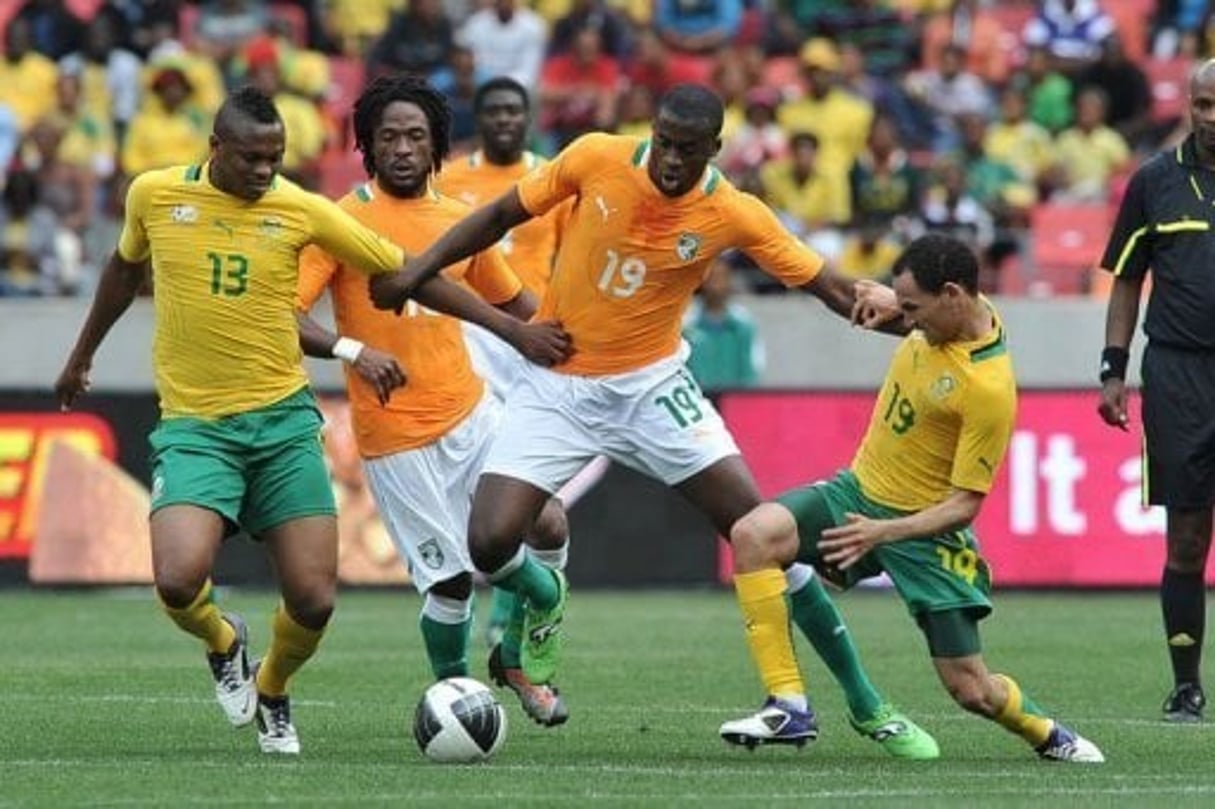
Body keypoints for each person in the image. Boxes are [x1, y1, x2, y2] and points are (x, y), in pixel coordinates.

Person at [369, 83, 940, 758]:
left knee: (762, 532)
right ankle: (546, 598)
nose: (670, 160)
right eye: (664, 143)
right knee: (490, 541)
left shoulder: (731, 210)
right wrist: (416, 271)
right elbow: (495, 215)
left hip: (652, 390)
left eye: (688, 150)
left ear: (714, 150)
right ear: (652, 133)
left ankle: (867, 702)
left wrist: (925, 322)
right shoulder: (595, 157)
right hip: (558, 384)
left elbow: (833, 291)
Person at [53, 85, 570, 755]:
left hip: (366, 420)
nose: (266, 173)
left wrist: (531, 332)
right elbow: (143, 278)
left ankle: (283, 688)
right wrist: (80, 357)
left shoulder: (341, 212)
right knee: (186, 578)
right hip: (261, 428)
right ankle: (246, 645)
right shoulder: (174, 197)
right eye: (252, 159)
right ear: (216, 150)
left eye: (276, 159)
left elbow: (420, 275)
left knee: (332, 594)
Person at [720, 234, 1104, 763]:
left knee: (972, 690)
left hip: (924, 533)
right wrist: (889, 301)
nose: (907, 320)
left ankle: (1044, 731)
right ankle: (788, 703)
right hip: (854, 493)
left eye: (912, 309)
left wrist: (883, 533)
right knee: (753, 535)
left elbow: (966, 504)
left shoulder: (987, 387)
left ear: (951, 295)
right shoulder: (962, 310)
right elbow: (924, 318)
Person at [296, 74, 571, 727]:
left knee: (544, 525)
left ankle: (523, 637)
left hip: (472, 411)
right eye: (387, 136)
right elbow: (287, 315)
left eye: (415, 136)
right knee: (449, 584)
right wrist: (352, 351)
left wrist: (580, 345)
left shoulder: (457, 221)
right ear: (365, 144)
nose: (401, 147)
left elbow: (516, 303)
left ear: (436, 145)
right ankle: (461, 703)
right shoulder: (338, 221)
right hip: (397, 437)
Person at [436, 75, 607, 652]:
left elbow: (577, 254)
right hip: (474, 336)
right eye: (495, 111)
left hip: (536, 337)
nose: (506, 119)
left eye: (515, 110)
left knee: (531, 486)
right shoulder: (452, 177)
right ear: (481, 120)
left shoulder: (553, 178)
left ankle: (514, 606)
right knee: (488, 481)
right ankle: (499, 598)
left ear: (528, 117)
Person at [1096, 59, 1215, 724]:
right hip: (1177, 373)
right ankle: (1186, 684)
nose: (1211, 118)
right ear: (1187, 104)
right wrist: (1111, 367)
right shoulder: (1154, 182)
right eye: (1201, 103)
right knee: (1186, 538)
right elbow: (1124, 278)